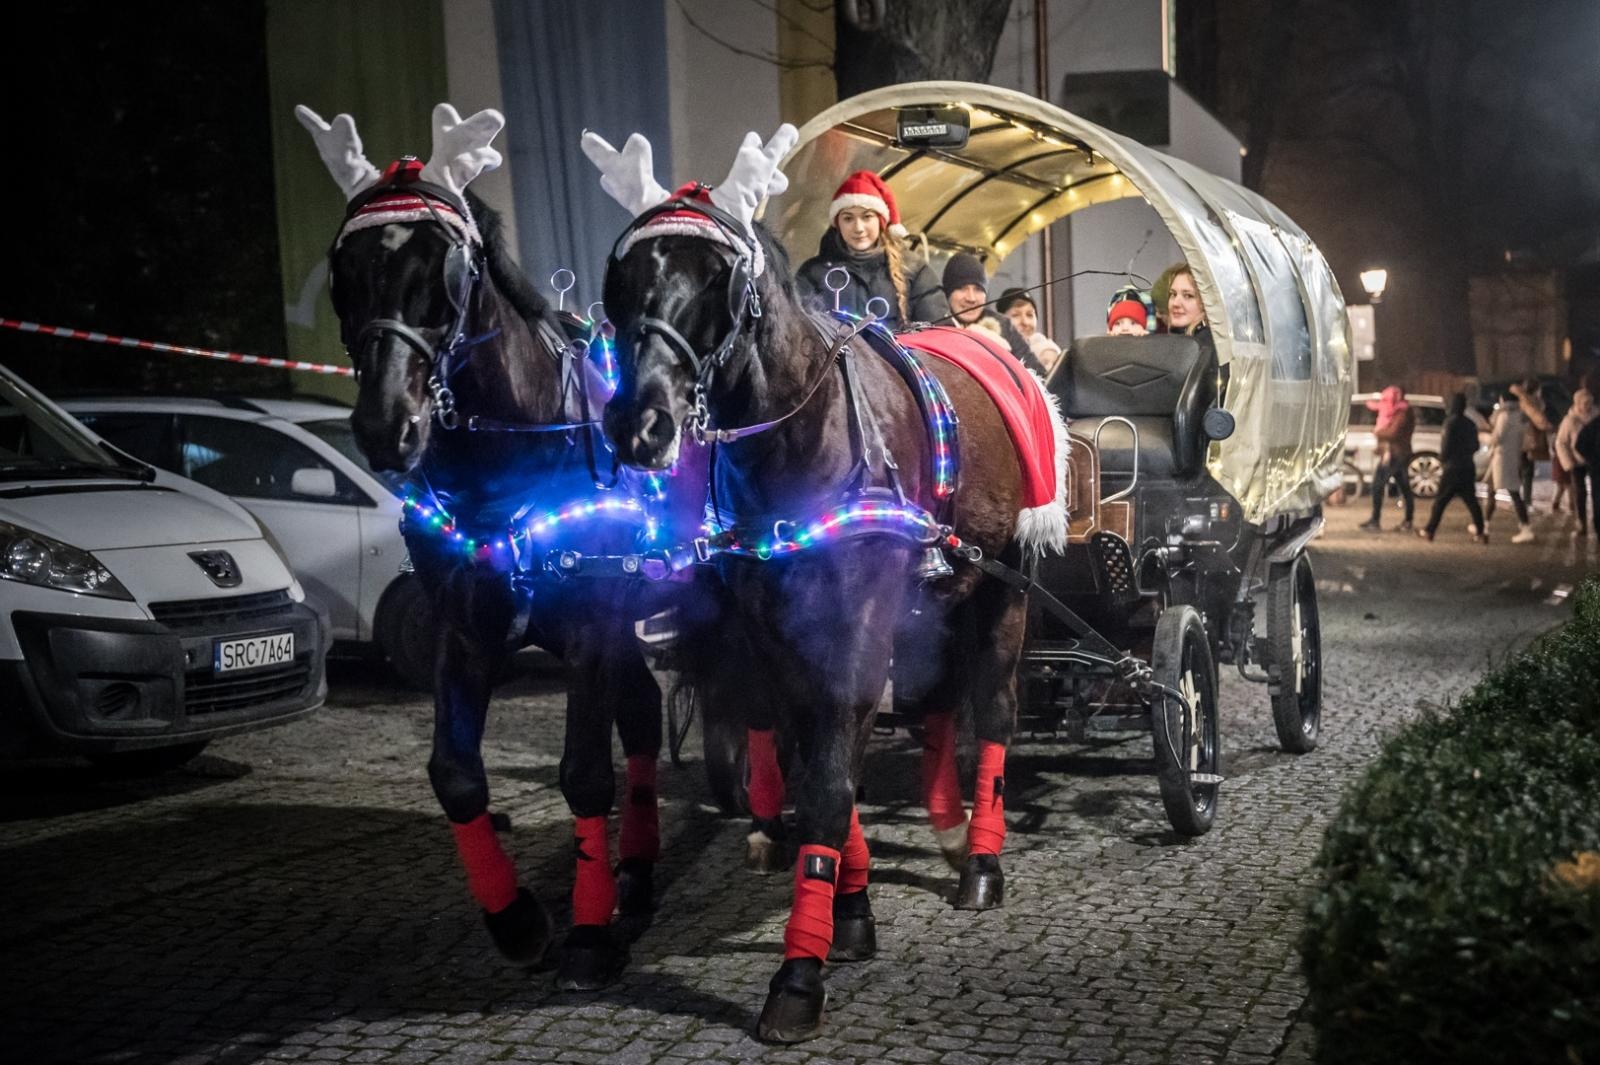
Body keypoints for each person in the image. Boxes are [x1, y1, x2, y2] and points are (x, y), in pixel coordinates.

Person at [795, 169, 947, 328]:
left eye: (867, 217)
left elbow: (938, 334)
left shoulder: (913, 269)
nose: (858, 228)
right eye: (848, 218)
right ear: (837, 223)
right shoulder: (813, 273)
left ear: (881, 221)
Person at [941, 252, 1043, 374]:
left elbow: (1038, 375)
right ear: (948, 293)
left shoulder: (1004, 326)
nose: (971, 298)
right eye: (962, 288)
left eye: (978, 289)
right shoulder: (934, 328)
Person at [1419, 393, 1488, 543]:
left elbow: (1446, 445)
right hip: (1468, 466)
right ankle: (1481, 532)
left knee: (1441, 501)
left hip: (1452, 467)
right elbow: (1476, 446)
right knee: (1472, 502)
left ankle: (1429, 530)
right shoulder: (1470, 424)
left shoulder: (1450, 423)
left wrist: (1444, 459)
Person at [1359, 385, 1416, 532]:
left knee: (1378, 486)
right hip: (1395, 454)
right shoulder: (1399, 411)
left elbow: (1393, 433)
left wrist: (1377, 432)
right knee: (1404, 487)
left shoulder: (1402, 413)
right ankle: (1407, 521)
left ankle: (1376, 520)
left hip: (1396, 455)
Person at [1483, 394, 1535, 542]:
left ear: (1503, 400)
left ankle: (1525, 527)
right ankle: (1483, 524)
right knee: (1493, 490)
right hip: (1513, 457)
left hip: (1502, 458)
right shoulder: (1521, 416)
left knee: (1513, 493)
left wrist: (1483, 437)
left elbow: (1496, 438)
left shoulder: (1505, 415)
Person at [1555, 387, 1597, 538]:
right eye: (1584, 403)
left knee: (1596, 493)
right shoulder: (1570, 420)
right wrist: (1568, 462)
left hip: (1594, 460)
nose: (1587, 406)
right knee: (1580, 493)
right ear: (1577, 404)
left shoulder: (1596, 416)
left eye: (1589, 403)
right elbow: (1561, 442)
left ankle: (1595, 520)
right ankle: (1581, 523)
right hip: (1576, 461)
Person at [997, 288, 1062, 373]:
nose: (1025, 322)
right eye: (1015, 315)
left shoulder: (1048, 350)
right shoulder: (994, 353)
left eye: (1029, 315)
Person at [1510, 378, 1551, 511]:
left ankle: (1519, 500)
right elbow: (1540, 420)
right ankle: (1525, 502)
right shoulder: (1533, 403)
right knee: (1527, 472)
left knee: (1521, 471)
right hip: (1528, 440)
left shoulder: (1519, 401)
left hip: (1519, 439)